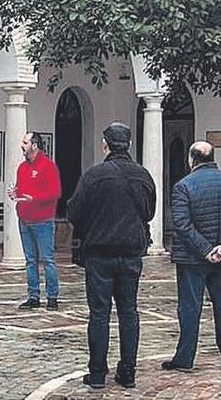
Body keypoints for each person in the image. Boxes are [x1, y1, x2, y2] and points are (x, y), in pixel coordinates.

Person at [66, 122, 156, 390]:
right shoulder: (142, 175)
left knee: (99, 313)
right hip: (130, 252)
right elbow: (149, 212)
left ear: (106, 144)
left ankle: (96, 373)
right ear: (127, 144)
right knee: (129, 312)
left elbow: (73, 212)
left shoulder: (95, 175)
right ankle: (128, 370)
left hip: (99, 253)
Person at [163, 141, 221, 372]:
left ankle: (185, 358)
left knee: (190, 308)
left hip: (192, 259)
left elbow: (182, 223)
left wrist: (206, 249)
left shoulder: (184, 186)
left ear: (192, 160)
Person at [8, 131, 61, 310]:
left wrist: (34, 198)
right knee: (30, 260)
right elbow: (21, 189)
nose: (22, 145)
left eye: (25, 142)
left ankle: (52, 296)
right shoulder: (22, 167)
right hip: (25, 218)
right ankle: (33, 296)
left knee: (47, 259)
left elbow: (55, 192)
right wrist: (15, 195)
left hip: (43, 220)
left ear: (34, 145)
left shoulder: (48, 166)